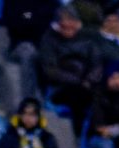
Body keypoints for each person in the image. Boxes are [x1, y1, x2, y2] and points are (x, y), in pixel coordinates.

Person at [39, 5, 103, 136]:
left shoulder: (88, 37)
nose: (67, 24)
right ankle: (79, 136)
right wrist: (77, 81)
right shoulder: (49, 39)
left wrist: (88, 80)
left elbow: (97, 64)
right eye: (63, 20)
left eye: (71, 19)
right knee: (78, 96)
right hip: (62, 86)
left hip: (88, 83)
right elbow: (50, 69)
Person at [2, 0, 60, 103]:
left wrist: (31, 15)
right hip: (21, 44)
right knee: (28, 52)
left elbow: (56, 17)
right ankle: (29, 101)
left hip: (47, 45)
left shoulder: (51, 2)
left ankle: (51, 99)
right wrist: (33, 15)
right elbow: (14, 19)